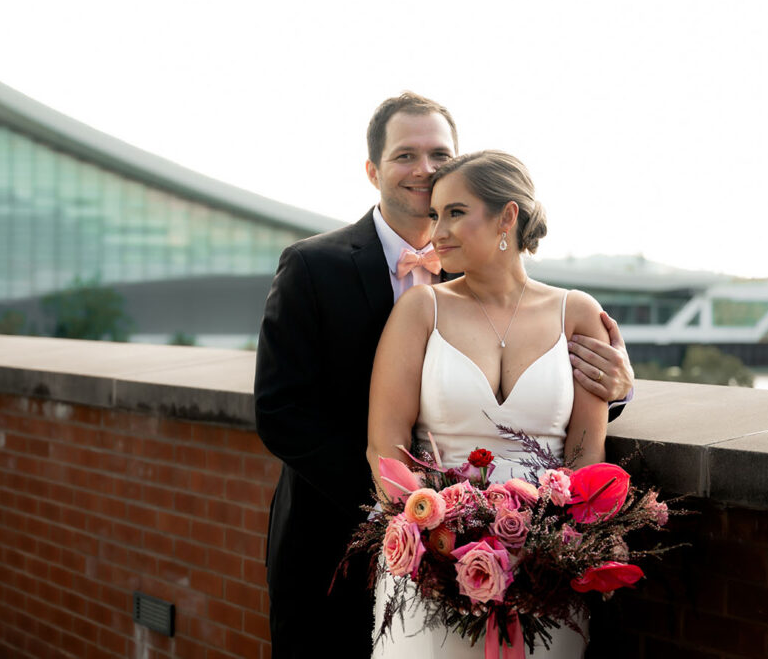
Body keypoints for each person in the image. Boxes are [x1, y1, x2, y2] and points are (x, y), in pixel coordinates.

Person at [255, 94, 633, 658]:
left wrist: (619, 388)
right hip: (335, 536)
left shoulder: (550, 302)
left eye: (439, 154)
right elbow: (281, 413)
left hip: (531, 563)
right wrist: (426, 523)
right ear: (372, 170)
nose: (424, 170)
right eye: (405, 154)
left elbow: (568, 419)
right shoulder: (314, 266)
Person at [367, 150, 607, 657]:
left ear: (507, 216)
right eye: (435, 215)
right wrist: (433, 550)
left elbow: (587, 457)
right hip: (433, 572)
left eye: (455, 212)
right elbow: (384, 448)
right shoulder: (421, 310)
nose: (439, 231)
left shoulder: (577, 313)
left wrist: (551, 553)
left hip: (546, 578)